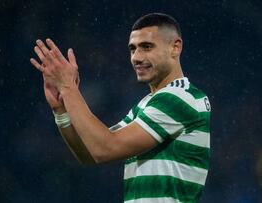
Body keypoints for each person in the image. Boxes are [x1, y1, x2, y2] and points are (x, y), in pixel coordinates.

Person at [30, 13, 211, 203]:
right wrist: (61, 110)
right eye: (132, 49)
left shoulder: (179, 98)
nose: (136, 57)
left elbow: (104, 148)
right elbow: (89, 153)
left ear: (175, 47)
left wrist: (68, 88)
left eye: (147, 47)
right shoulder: (149, 103)